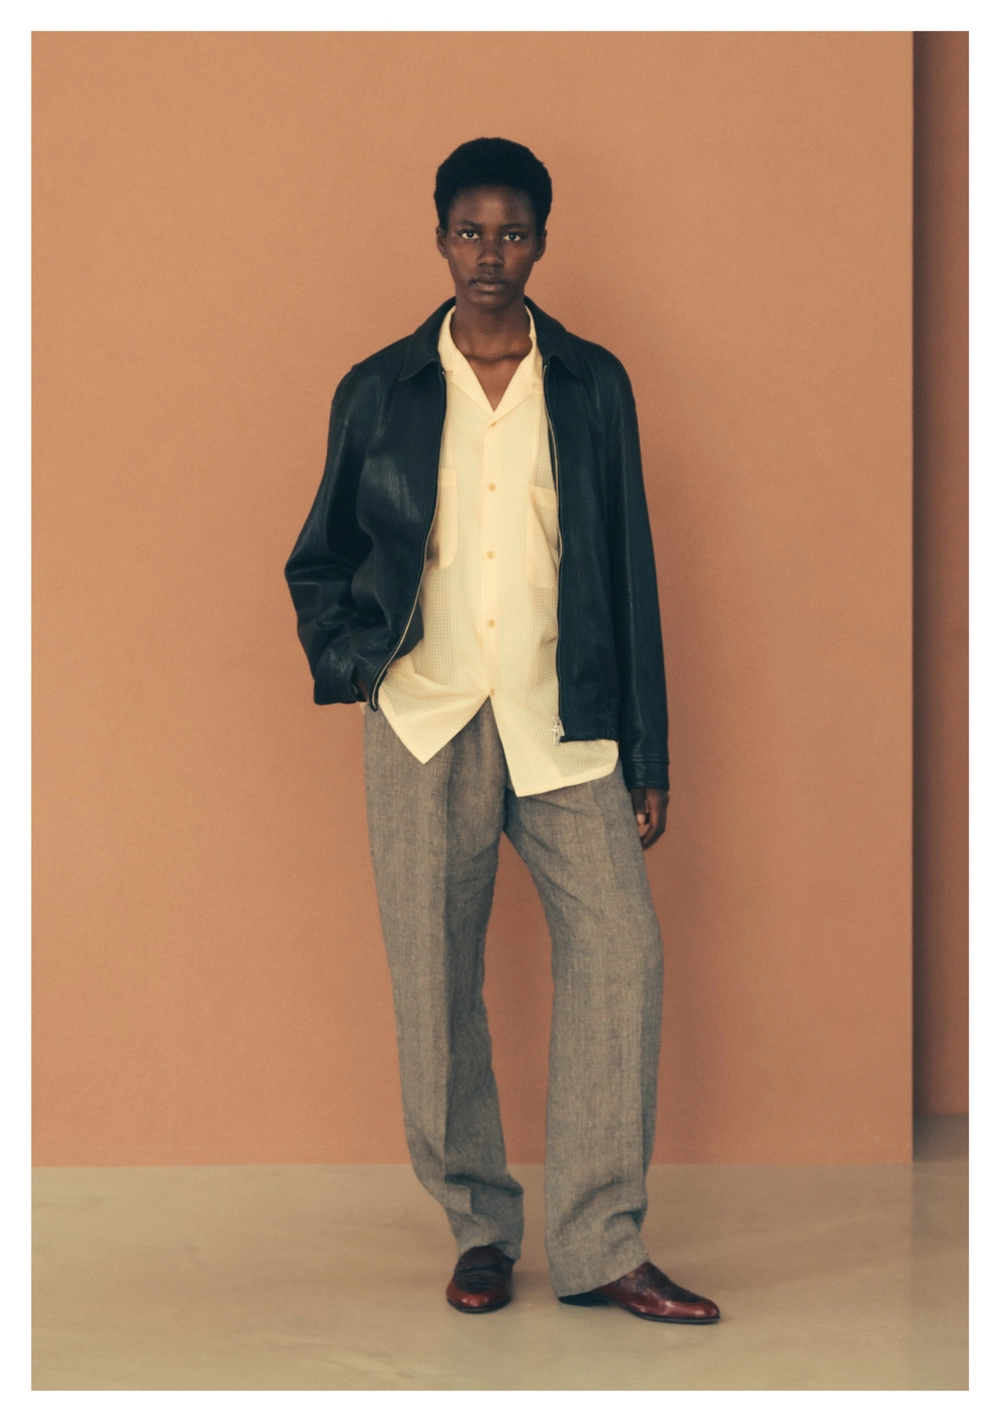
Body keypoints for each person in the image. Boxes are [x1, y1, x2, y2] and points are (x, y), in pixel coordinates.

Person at [284, 137, 720, 1325]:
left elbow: (627, 568)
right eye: (470, 231)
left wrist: (648, 748)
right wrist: (359, 669)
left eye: (513, 232)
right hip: (425, 720)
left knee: (621, 955)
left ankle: (598, 1243)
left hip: (563, 715)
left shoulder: (590, 385)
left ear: (541, 243)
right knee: (434, 986)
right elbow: (320, 557)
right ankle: (479, 1227)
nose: (490, 253)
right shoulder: (378, 389)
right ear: (439, 238)